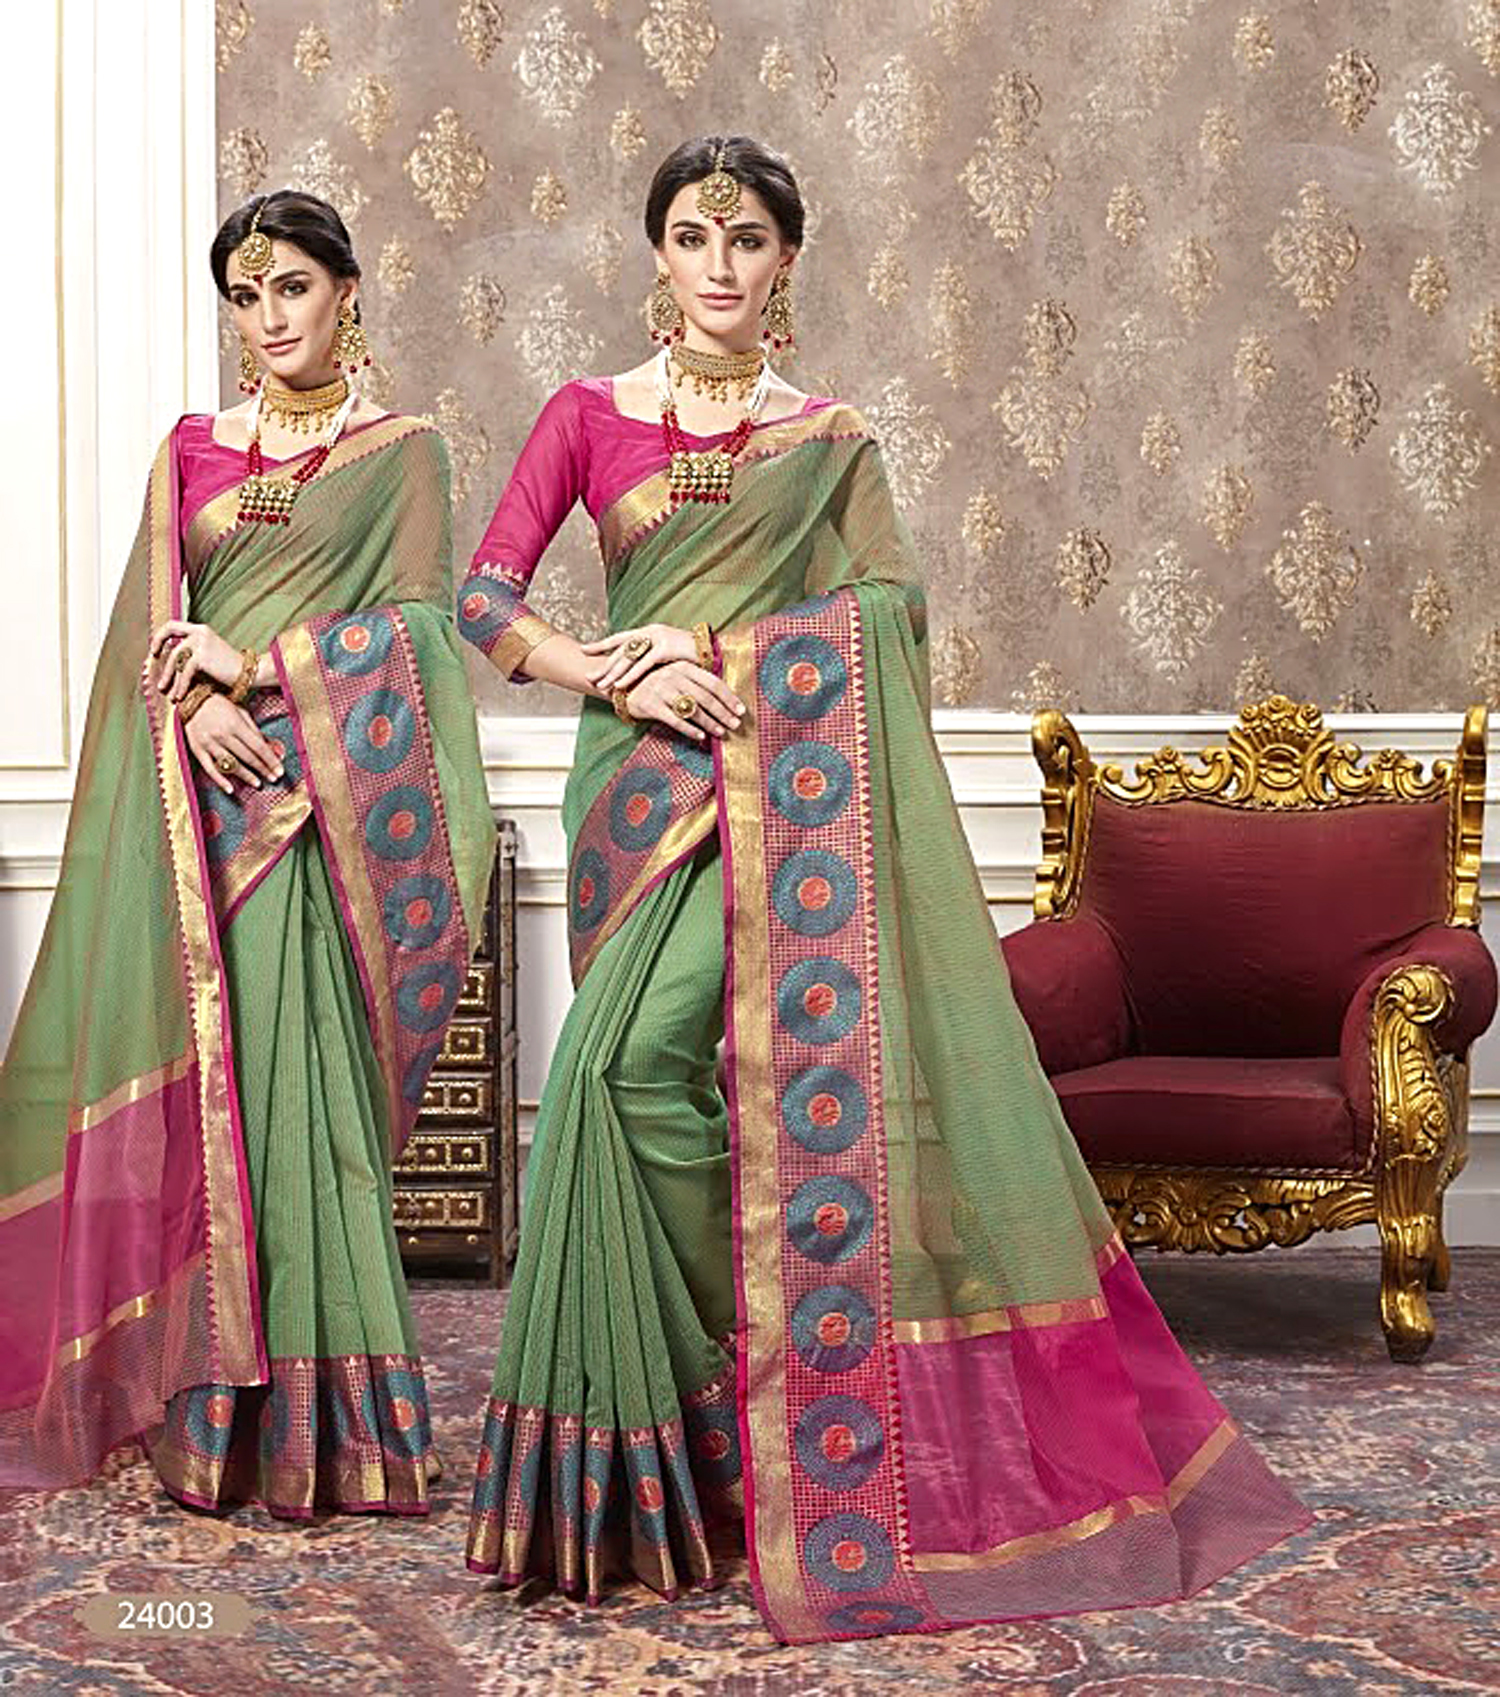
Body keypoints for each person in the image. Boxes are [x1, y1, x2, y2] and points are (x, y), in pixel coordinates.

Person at [460, 136, 1308, 1642]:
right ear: (656, 255)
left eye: (747, 240)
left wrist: (718, 653)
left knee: (628, 1073)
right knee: (629, 1075)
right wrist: (612, 673)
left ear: (787, 260)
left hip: (777, 790)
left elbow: (891, 617)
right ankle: (725, 1396)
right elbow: (484, 597)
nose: (719, 265)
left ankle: (731, 1398)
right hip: (635, 792)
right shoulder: (587, 414)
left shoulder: (830, 438)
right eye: (692, 236)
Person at [0, 190, 494, 1518]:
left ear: (346, 293)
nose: (269, 319)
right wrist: (197, 701)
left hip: (320, 820)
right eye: (246, 295)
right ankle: (217, 1404)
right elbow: (151, 637)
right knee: (219, 1114)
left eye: (293, 289)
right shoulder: (189, 451)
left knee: (305, 1110)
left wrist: (258, 665)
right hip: (205, 823)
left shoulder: (401, 452)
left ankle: (330, 1422)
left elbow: (420, 637)